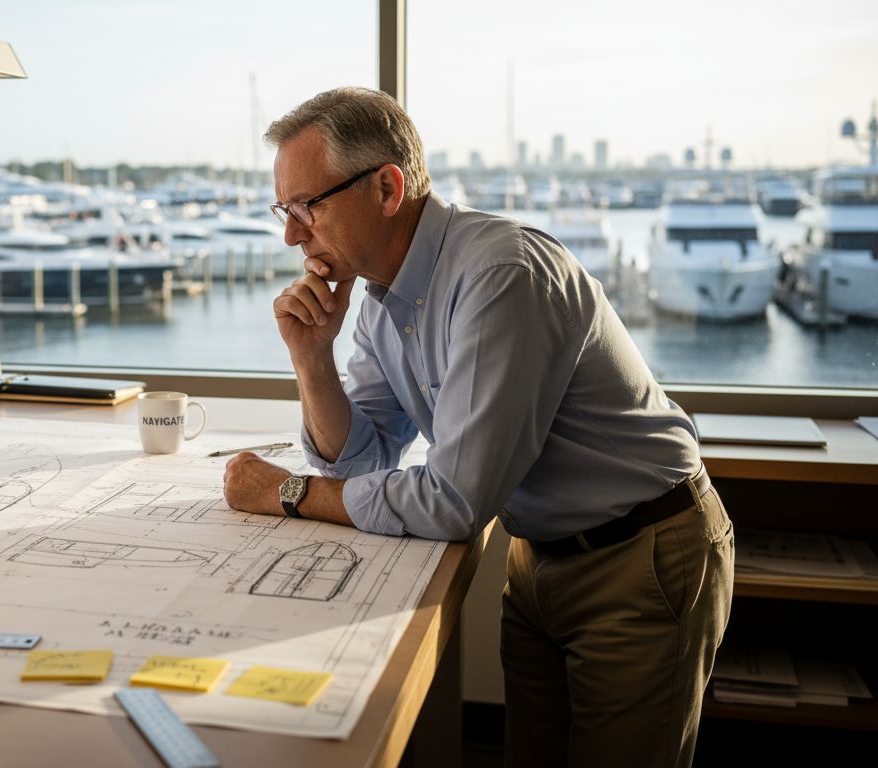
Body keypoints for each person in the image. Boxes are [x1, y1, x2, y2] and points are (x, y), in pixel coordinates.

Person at [222, 87, 734, 768]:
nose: (292, 235)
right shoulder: (380, 298)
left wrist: (286, 493)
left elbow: (454, 502)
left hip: (639, 554)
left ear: (386, 188)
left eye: (307, 206)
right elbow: (364, 461)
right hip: (537, 554)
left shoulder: (500, 273)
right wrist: (312, 359)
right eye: (285, 211)